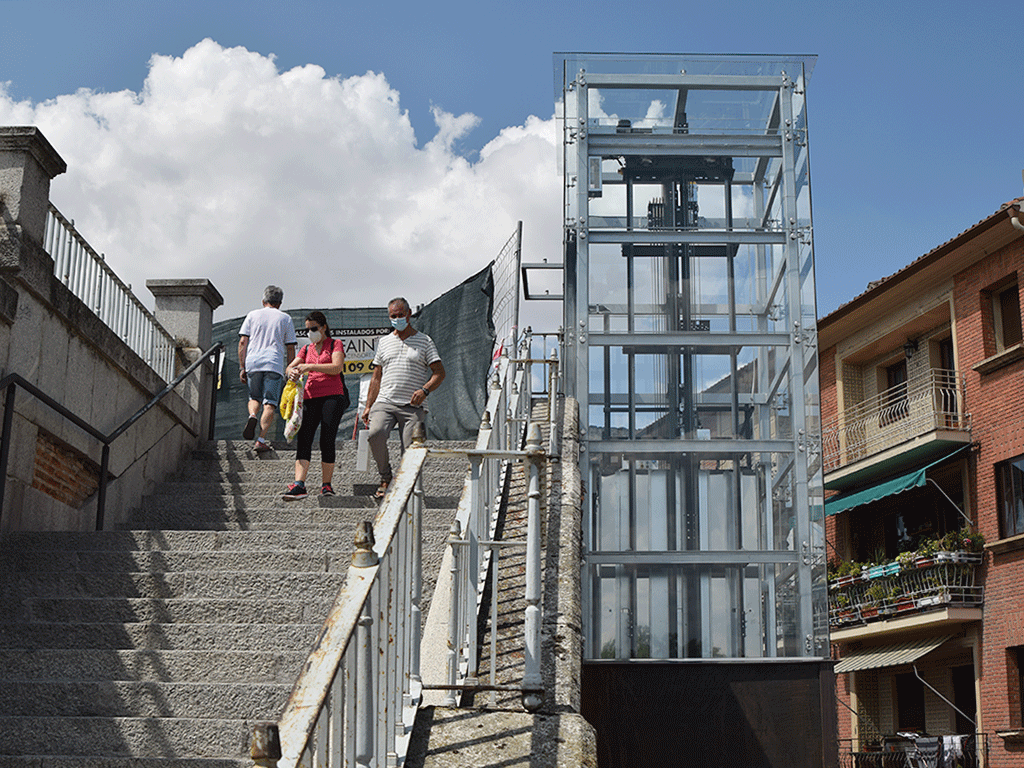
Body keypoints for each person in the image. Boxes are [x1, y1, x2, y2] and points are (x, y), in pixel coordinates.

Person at [361, 297, 445, 500]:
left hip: (412, 406)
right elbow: (376, 377)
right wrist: (368, 406)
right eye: (393, 316)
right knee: (375, 434)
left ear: (408, 315)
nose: (397, 319)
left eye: (400, 315)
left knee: (410, 447)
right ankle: (385, 477)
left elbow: (439, 373)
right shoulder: (384, 342)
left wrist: (424, 390)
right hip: (385, 402)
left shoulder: (424, 340)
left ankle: (404, 484)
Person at [282, 311, 349, 499]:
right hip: (310, 397)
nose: (310, 333)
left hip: (332, 396)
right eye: (307, 330)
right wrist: (292, 373)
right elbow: (290, 367)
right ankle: (299, 484)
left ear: (324, 327)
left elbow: (337, 367)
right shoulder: (305, 349)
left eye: (314, 329)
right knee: (304, 438)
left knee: (327, 438)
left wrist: (310, 367)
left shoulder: (336, 344)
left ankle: (326, 485)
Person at [238, 285, 296, 453]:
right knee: (269, 403)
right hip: (274, 364)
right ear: (280, 303)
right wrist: (289, 369)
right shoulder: (285, 319)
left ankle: (252, 416)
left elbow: (243, 342)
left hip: (253, 363)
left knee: (254, 397)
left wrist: (242, 366)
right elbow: (290, 347)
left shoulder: (252, 315)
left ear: (263, 301)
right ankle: (261, 439)